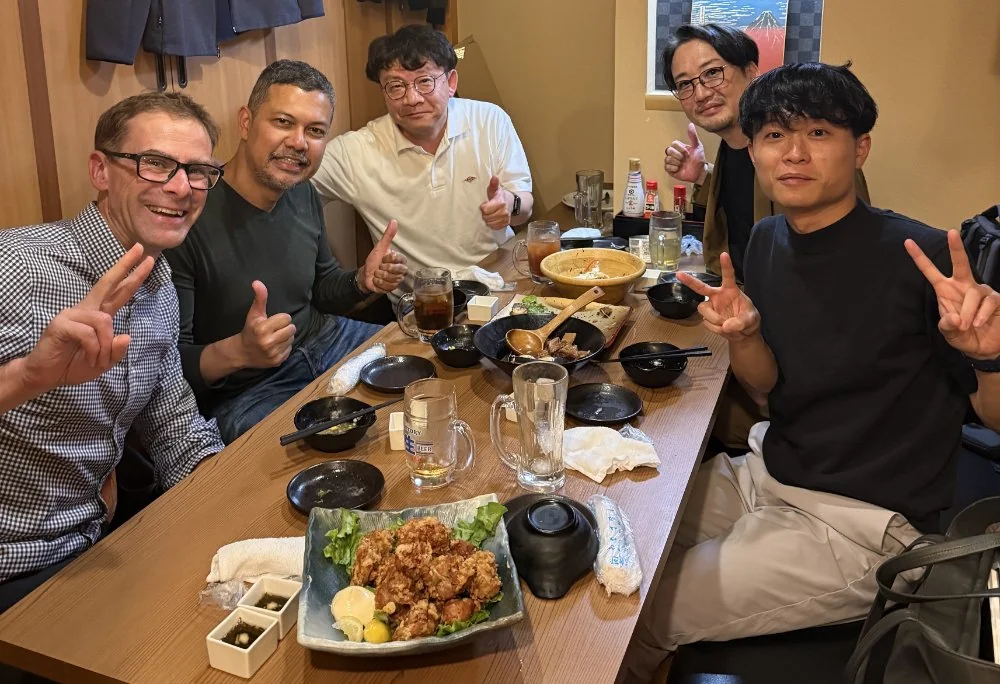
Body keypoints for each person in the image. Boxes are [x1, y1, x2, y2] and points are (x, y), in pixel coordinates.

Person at [622, 62, 1000, 682]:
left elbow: (993, 416)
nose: (794, 153)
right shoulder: (770, 239)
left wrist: (990, 354)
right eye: (774, 135)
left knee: (637, 612)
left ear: (861, 149)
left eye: (820, 134)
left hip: (863, 524)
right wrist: (743, 336)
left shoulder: (921, 256)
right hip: (769, 472)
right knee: (620, 540)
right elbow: (768, 386)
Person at [0, 92, 226, 614]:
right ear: (101, 171)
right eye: (156, 164)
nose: (181, 187)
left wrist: (236, 506)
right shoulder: (20, 267)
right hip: (14, 567)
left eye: (197, 171)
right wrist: (28, 376)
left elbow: (176, 430)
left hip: (95, 546)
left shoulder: (158, 285)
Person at [165, 60, 407, 444]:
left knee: (421, 366)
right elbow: (169, 367)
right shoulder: (188, 214)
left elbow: (322, 289)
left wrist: (362, 281)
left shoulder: (302, 193)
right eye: (282, 122)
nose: (298, 142)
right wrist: (240, 351)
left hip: (326, 341)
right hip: (247, 390)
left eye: (314, 131)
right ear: (246, 123)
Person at [311, 24, 534, 296]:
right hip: (427, 304)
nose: (412, 98)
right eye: (396, 86)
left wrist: (509, 204)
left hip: (501, 280)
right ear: (383, 92)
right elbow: (292, 193)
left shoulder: (489, 120)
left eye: (425, 81)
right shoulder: (355, 151)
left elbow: (525, 209)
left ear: (451, 82)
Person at [661, 23, 869, 280]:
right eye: (684, 84)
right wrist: (703, 175)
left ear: (751, 73)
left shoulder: (800, 158)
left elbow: (848, 260)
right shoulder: (731, 150)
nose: (701, 93)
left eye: (713, 72)